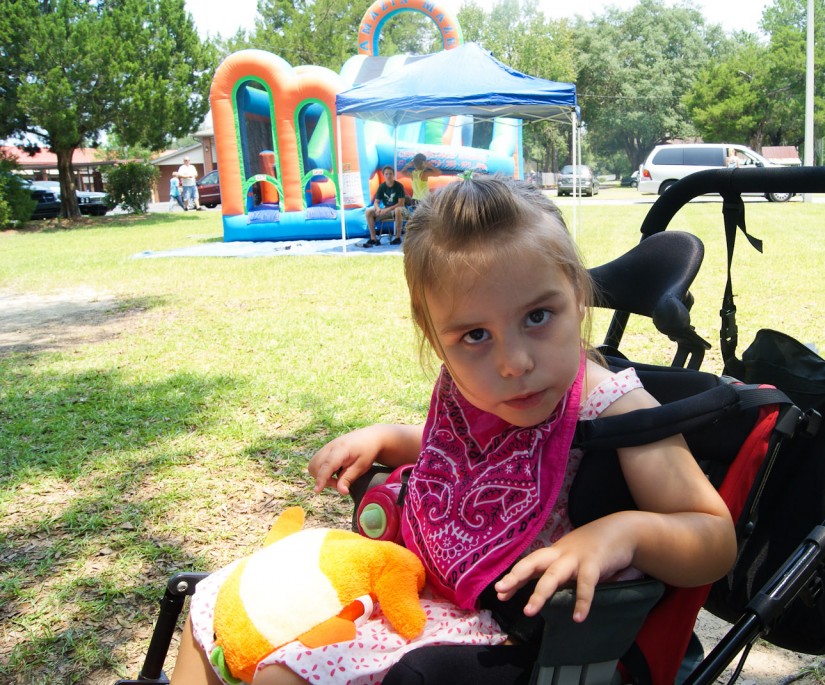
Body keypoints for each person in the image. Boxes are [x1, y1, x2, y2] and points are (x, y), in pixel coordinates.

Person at [170, 178, 737, 685]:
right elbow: (471, 458)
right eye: (474, 335)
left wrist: (623, 533)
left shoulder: (618, 410)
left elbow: (714, 538)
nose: (514, 361)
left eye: (538, 317)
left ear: (577, 294)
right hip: (418, 582)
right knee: (218, 600)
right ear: (434, 334)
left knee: (288, 670)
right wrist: (392, 438)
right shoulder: (473, 389)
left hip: (518, 632)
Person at [362, 166, 407, 247]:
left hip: (400, 209)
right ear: (383, 175)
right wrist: (378, 208)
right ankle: (373, 239)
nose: (388, 176)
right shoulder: (382, 187)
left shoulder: (398, 186)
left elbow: (401, 203)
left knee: (397, 210)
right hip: (388, 210)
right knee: (368, 211)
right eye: (386, 174)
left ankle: (398, 237)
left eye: (390, 174)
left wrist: (386, 210)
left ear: (393, 175)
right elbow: (376, 202)